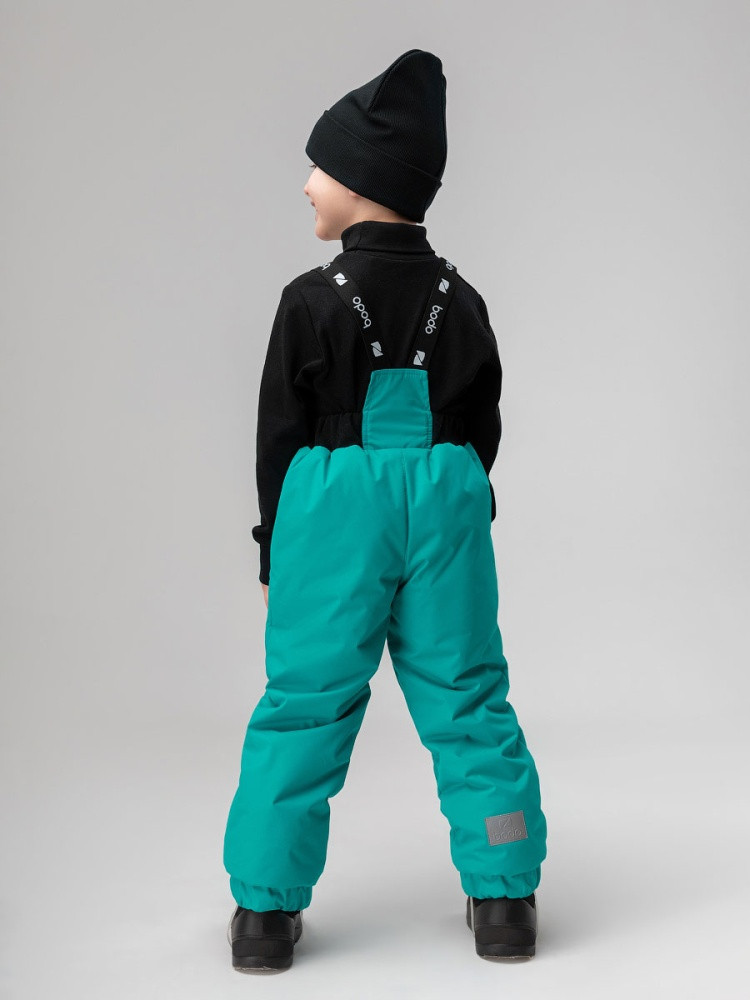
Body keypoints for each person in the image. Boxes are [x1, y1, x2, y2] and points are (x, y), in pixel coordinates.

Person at [223, 48, 548, 973]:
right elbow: (483, 423)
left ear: (363, 181)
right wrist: (453, 500)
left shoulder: (309, 301)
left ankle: (263, 913)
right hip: (445, 500)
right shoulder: (464, 299)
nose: (307, 183)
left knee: (305, 704)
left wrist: (273, 553)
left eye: (321, 167)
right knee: (468, 697)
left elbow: (279, 439)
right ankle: (505, 896)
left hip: (334, 511)